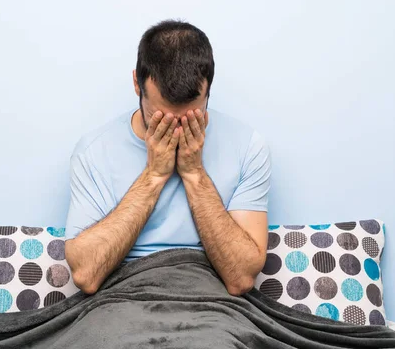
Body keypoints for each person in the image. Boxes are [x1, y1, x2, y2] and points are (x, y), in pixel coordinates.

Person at [64, 20, 271, 297]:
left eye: (189, 118)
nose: (175, 131)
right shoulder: (92, 152)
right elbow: (86, 275)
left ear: (208, 90)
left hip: (213, 304)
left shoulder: (248, 146)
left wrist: (195, 174)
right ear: (137, 84)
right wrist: (154, 176)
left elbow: (241, 278)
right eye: (159, 118)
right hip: (120, 300)